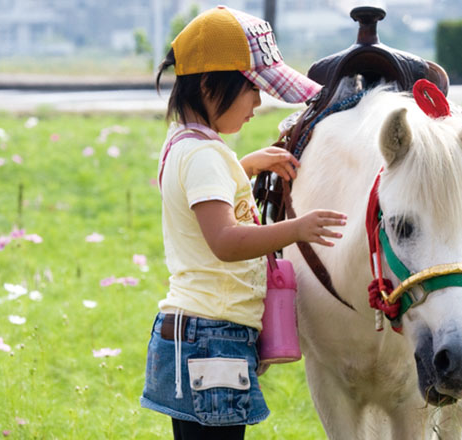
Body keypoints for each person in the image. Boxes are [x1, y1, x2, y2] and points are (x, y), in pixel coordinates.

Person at [140, 6, 347, 440]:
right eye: (252, 90)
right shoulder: (204, 157)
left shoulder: (188, 145)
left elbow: (203, 197)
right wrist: (297, 228)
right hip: (211, 337)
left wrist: (245, 166)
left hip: (195, 333)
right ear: (210, 84)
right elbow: (225, 240)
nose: (258, 103)